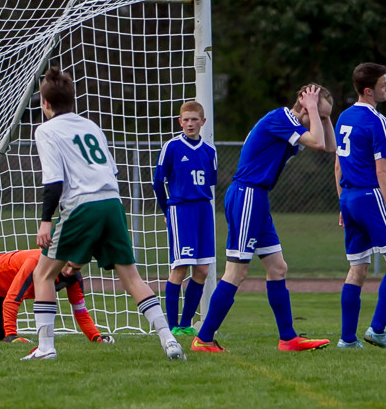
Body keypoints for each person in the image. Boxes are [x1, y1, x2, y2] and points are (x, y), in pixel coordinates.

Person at [24, 67, 185, 361]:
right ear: (73, 99)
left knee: (43, 273)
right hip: (112, 201)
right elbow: (112, 170)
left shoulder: (45, 130)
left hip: (82, 205)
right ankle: (169, 340)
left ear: (45, 103)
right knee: (132, 277)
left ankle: (46, 348)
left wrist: (46, 220)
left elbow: (54, 182)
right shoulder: (90, 125)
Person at [192, 84, 336, 353]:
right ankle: (204, 338)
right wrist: (314, 108)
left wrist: (322, 115)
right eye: (318, 114)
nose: (320, 120)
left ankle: (288, 338)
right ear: (304, 108)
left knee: (278, 267)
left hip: (257, 199)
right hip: (247, 195)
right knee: (236, 272)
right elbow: (317, 141)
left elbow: (329, 146)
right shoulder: (280, 119)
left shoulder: (291, 125)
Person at [334, 63, 386, 349]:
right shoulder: (378, 121)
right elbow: (382, 172)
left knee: (357, 268)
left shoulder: (343, 117)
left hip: (349, 198)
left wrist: (342, 203)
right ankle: (377, 331)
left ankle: (347, 339)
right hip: (369, 196)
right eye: (384, 84)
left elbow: (338, 165)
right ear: (369, 90)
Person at [152, 101, 217, 336]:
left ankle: (186, 323)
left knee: (202, 270)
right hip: (181, 210)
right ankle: (170, 327)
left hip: (203, 211)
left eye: (194, 119)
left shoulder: (210, 150)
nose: (190, 123)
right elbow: (158, 183)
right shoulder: (171, 147)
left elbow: (210, 182)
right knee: (180, 267)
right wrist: (166, 211)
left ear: (202, 122)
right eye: (186, 120)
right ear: (180, 122)